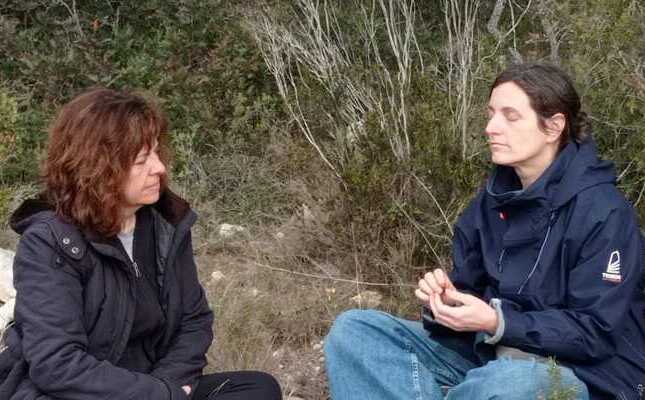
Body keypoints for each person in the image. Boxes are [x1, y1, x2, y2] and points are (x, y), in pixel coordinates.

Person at [324, 63, 645, 399]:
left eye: (510, 116)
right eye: (491, 114)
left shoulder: (602, 211)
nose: (491, 127)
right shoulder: (491, 202)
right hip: (491, 357)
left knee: (511, 383)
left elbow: (596, 332)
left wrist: (497, 322)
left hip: (581, 374)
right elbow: (468, 290)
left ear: (553, 127)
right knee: (355, 332)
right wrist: (444, 301)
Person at [0, 88, 282, 400]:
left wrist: (168, 385)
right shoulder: (51, 241)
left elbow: (194, 321)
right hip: (74, 393)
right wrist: (159, 394)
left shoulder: (167, 225)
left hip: (152, 386)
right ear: (98, 168)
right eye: (141, 160)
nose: (159, 168)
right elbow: (57, 364)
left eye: (158, 154)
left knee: (257, 388)